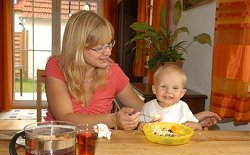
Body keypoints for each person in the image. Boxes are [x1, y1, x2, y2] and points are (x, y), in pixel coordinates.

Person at [45, 10, 220, 130]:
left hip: (98, 144)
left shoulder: (113, 71)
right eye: (99, 48)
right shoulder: (56, 65)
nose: (108, 52)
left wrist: (189, 119)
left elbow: (145, 112)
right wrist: (113, 119)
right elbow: (65, 118)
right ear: (77, 47)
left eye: (109, 44)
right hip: (60, 143)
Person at [139, 64, 211, 130]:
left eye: (175, 88)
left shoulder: (183, 107)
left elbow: (198, 127)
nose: (169, 91)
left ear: (182, 93)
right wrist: (142, 126)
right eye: (163, 87)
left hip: (178, 143)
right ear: (154, 89)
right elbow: (139, 127)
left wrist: (194, 126)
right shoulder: (148, 107)